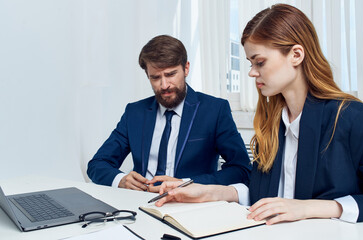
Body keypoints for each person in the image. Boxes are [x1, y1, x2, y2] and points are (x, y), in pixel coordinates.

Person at [155, 4, 363, 224]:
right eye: (251, 63)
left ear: (296, 54)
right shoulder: (272, 122)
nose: (252, 72)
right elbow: (260, 191)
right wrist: (207, 192)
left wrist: (309, 207)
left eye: (260, 62)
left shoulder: (356, 119)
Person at [87, 35, 251, 193]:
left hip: (189, 206)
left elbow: (241, 169)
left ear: (186, 68)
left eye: (171, 74)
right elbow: (97, 164)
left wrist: (186, 185)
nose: (164, 85)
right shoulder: (134, 113)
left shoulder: (215, 110)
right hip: (139, 203)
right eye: (155, 77)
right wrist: (121, 180)